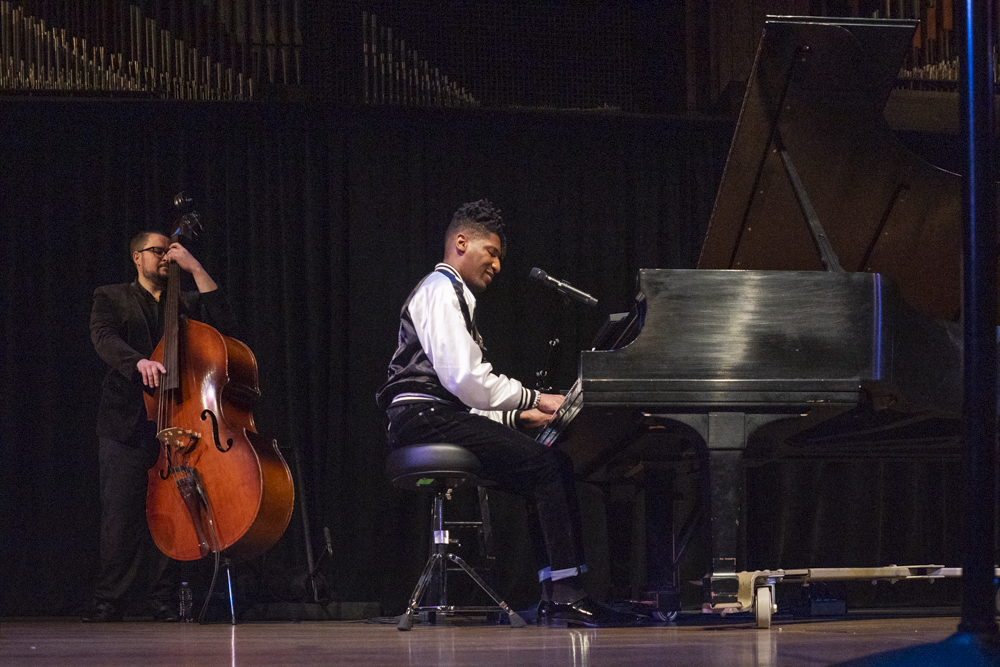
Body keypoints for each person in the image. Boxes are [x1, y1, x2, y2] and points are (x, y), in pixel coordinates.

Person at [376, 199, 639, 627]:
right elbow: (468, 381)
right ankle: (568, 593)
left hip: (430, 413)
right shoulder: (441, 289)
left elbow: (464, 398)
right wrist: (535, 399)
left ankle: (555, 591)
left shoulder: (453, 295)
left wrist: (519, 418)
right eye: (491, 253)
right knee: (547, 465)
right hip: (421, 416)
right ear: (461, 242)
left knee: (537, 469)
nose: (497, 265)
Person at [85, 231, 237, 622]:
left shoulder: (183, 303)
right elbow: (103, 337)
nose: (165, 257)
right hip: (127, 420)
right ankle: (109, 600)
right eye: (158, 251)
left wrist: (195, 267)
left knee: (171, 512)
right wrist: (138, 362)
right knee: (120, 515)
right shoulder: (112, 295)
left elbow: (225, 325)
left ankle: (162, 601)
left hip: (180, 421)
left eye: (170, 251)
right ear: (137, 257)